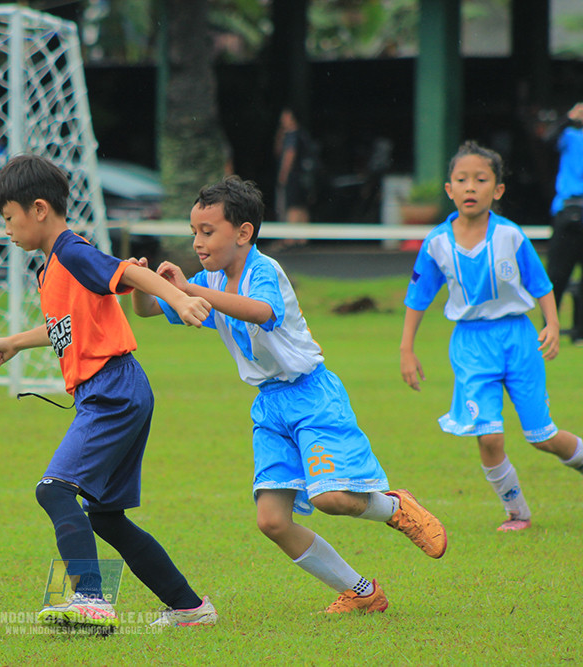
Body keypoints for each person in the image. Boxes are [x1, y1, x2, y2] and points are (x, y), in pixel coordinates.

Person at [131, 175, 447, 615]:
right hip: (269, 406)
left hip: (311, 396)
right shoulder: (210, 279)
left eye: (207, 231)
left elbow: (261, 311)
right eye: (193, 232)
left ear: (243, 233)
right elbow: (149, 310)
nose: (198, 242)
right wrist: (143, 282)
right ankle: (361, 592)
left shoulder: (264, 271)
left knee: (330, 498)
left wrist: (190, 289)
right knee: (272, 521)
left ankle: (395, 506)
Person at [0, 154, 218, 631]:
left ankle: (90, 600)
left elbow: (129, 273)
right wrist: (15, 343)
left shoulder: (71, 251)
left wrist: (179, 296)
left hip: (112, 389)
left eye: (9, 217)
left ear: (38, 209)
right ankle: (190, 609)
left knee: (54, 490)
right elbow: (65, 326)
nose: (7, 230)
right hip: (115, 390)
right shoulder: (51, 269)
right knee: (105, 517)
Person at [400, 140, 583, 532]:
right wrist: (406, 348)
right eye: (461, 179)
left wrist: (551, 323)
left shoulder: (510, 236)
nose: (471, 187)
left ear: (497, 190)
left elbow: (541, 284)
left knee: (542, 436)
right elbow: (417, 297)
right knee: (489, 436)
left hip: (518, 339)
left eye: (481, 180)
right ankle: (517, 512)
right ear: (449, 189)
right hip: (470, 344)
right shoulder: (436, 243)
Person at [546, 102, 583, 344]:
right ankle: (549, 326)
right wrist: (569, 118)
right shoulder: (569, 135)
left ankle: (580, 333)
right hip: (568, 207)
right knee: (557, 275)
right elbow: (547, 139)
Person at [272, 107, 316, 249]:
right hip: (304, 178)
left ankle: (289, 239)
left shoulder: (291, 135)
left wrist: (283, 174)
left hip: (293, 177)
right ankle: (303, 238)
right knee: (302, 206)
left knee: (291, 206)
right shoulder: (302, 134)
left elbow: (289, 154)